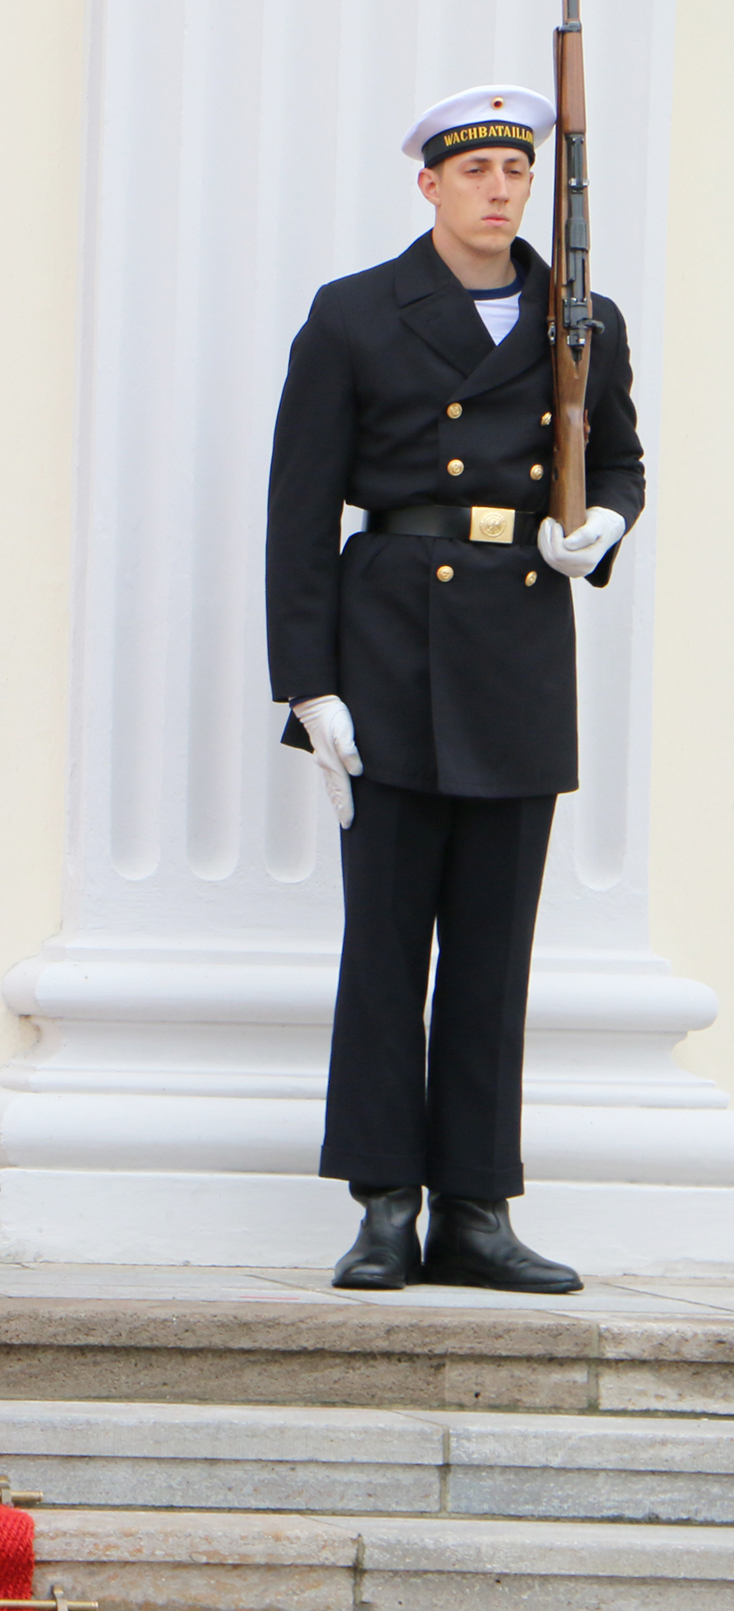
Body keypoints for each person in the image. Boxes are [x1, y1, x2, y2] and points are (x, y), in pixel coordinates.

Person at [266, 85, 644, 1295]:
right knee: (385, 941)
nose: (499, 190)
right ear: (427, 183)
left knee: (493, 949)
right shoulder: (355, 315)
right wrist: (308, 686)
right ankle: (385, 1202)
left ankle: (476, 1207)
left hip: (519, 640)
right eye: (474, 169)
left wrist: (607, 523)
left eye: (516, 172)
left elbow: (621, 454)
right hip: (386, 639)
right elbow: (295, 511)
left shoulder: (581, 320)